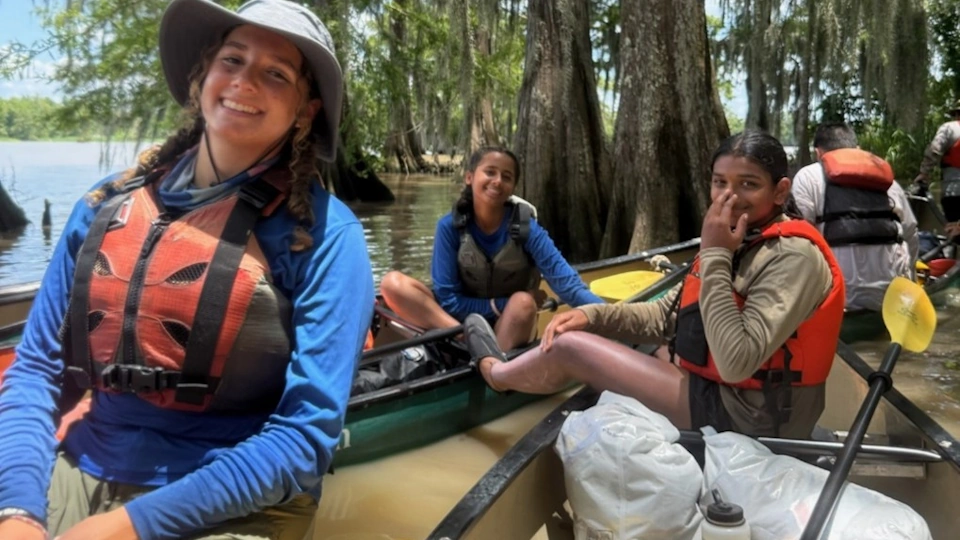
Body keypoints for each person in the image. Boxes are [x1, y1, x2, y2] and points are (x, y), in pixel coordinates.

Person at [0, 1, 374, 539]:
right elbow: (36, 370)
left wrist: (128, 527)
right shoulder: (102, 205)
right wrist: (18, 513)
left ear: (306, 110)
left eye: (276, 73)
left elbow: (304, 437)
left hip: (233, 498)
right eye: (232, 59)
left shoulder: (325, 236)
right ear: (203, 76)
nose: (244, 82)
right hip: (82, 466)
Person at [464, 130, 846, 439]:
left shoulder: (792, 256)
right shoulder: (740, 237)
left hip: (751, 416)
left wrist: (714, 254)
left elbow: (735, 362)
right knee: (636, 342)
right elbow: (668, 316)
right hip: (726, 394)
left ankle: (497, 376)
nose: (730, 196)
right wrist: (591, 315)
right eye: (720, 183)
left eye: (748, 184)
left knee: (570, 348)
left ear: (780, 192)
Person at [379, 147, 603, 351]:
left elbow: (568, 284)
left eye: (506, 177)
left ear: (512, 188)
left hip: (511, 324)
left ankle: (494, 363)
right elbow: (448, 300)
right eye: (490, 172)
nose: (497, 181)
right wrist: (495, 307)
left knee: (523, 303)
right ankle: (469, 342)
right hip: (457, 324)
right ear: (469, 177)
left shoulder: (527, 229)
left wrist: (611, 315)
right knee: (392, 284)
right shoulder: (449, 227)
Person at [792, 122, 918, 312]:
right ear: (857, 149)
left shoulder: (808, 176)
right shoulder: (889, 181)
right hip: (894, 293)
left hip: (840, 298)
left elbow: (799, 240)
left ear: (818, 153)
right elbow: (911, 232)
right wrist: (913, 283)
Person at [913, 100, 960, 222]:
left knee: (954, 232)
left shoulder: (950, 128)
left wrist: (924, 172)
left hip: (953, 191)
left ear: (956, 114)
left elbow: (934, 150)